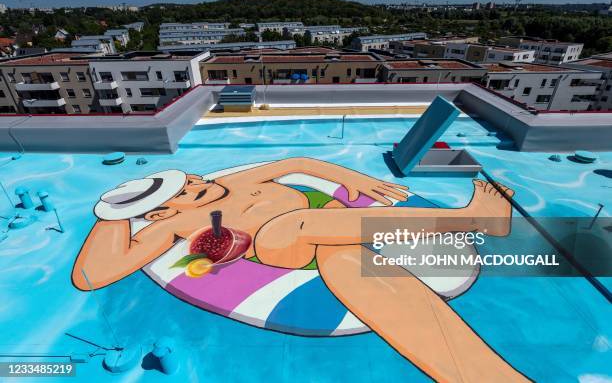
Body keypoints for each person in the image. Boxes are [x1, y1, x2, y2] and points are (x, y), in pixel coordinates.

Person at [72, 157, 528, 382]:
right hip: (286, 246)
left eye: (191, 180)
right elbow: (91, 276)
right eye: (189, 191)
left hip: (336, 235)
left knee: (357, 274)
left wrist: (357, 180)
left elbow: (297, 164)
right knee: (287, 228)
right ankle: (472, 218)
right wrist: (110, 215)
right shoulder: (166, 228)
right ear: (160, 211)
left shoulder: (231, 181)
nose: (201, 185)